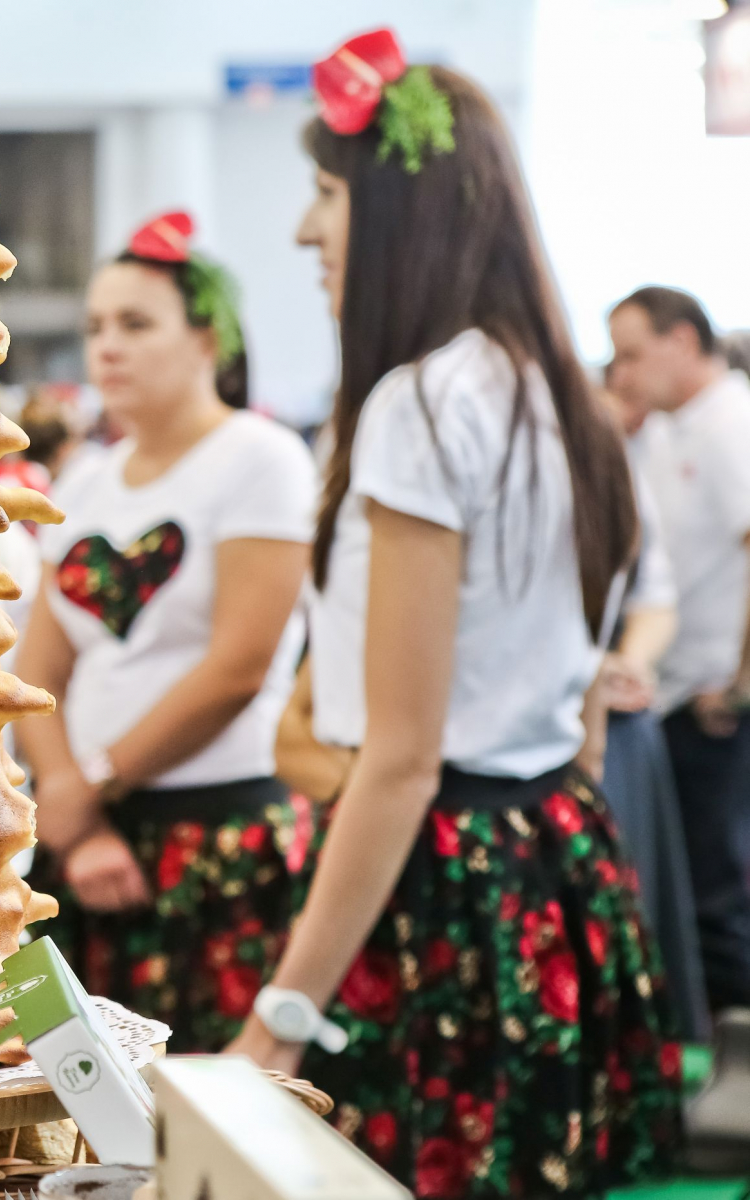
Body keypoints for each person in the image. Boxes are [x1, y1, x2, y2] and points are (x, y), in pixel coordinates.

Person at [228, 32, 681, 1196]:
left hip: (442, 882)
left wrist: (280, 1018)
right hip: (555, 853)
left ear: (399, 212)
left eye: (327, 195)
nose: (306, 232)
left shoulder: (423, 406)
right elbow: (580, 702)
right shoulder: (556, 397)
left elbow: (402, 760)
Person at [16, 212, 318, 1052]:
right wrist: (78, 812)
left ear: (207, 339)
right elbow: (36, 670)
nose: (107, 348)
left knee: (207, 1092)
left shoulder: (260, 458)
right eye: (95, 328)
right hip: (85, 835)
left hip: (215, 832)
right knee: (71, 1087)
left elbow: (238, 667)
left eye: (136, 324)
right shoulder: (87, 476)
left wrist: (88, 786)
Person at [608, 286, 750, 1015]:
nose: (623, 374)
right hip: (676, 695)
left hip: (716, 705)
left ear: (684, 342)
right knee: (694, 889)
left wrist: (742, 684)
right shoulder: (670, 429)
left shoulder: (730, 423)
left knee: (721, 898)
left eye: (633, 355)